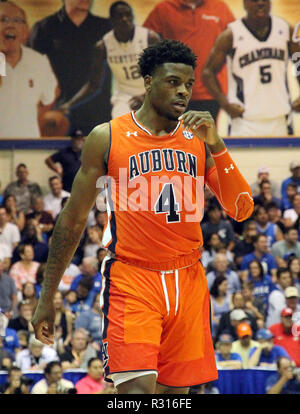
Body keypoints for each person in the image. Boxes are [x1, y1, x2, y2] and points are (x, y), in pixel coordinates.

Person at [31, 39, 253, 394]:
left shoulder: (198, 138)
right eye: (172, 82)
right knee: (135, 394)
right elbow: (71, 222)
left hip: (188, 279)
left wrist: (216, 145)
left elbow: (241, 208)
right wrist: (46, 298)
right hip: (133, 278)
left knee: (175, 397)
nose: (183, 91)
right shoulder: (107, 137)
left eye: (187, 84)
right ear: (148, 81)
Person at [202, 0, 300, 136]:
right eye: (254, 0)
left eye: (264, 0)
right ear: (245, 4)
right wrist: (225, 104)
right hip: (244, 121)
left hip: (281, 117)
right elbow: (207, 72)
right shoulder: (231, 35)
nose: (260, 3)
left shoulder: (285, 29)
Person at [61, 1, 160, 119]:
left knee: (156, 128)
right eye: (120, 16)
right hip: (124, 96)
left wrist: (144, 97)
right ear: (111, 20)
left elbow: (163, 74)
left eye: (128, 15)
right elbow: (93, 84)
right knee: (119, 125)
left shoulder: (150, 38)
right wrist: (69, 104)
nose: (125, 19)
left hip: (152, 92)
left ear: (133, 17)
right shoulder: (103, 46)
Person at [27, 0, 112, 135]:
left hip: (98, 116)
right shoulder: (44, 28)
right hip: (57, 118)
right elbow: (29, 73)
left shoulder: (106, 28)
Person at [143, 0, 235, 121]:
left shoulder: (220, 7)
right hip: (172, 91)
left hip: (209, 93)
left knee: (204, 137)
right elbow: (144, 43)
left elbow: (236, 41)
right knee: (172, 137)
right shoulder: (163, 8)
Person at [0, 1, 57, 138]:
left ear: (26, 30)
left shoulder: (39, 62)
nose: (10, 25)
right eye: (3, 20)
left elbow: (49, 98)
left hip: (27, 144)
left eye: (17, 20)